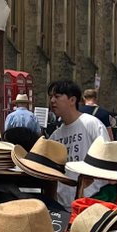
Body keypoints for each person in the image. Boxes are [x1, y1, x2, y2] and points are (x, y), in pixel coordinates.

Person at [46, 79, 108, 207]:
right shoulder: (55, 136)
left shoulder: (91, 124)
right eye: (51, 97)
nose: (52, 101)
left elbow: (107, 158)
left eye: (57, 96)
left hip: (91, 201)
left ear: (72, 100)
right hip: (64, 204)